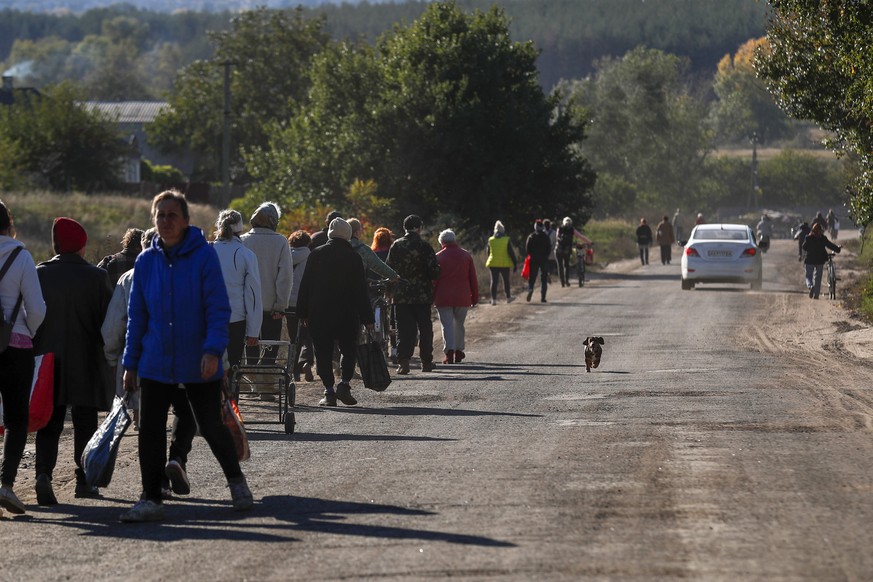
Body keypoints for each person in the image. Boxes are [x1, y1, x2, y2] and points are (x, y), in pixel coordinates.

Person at [120, 190, 252, 523]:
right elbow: (137, 316)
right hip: (154, 360)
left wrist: (212, 351)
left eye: (172, 215)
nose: (166, 221)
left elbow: (218, 308)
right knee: (150, 429)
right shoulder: (146, 261)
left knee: (209, 424)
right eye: (160, 215)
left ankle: (236, 482)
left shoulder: (203, 257)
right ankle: (151, 497)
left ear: (186, 220)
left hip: (197, 359)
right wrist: (130, 362)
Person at [102, 228, 195, 498]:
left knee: (149, 425)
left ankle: (155, 485)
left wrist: (111, 357)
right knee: (185, 411)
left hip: (140, 362)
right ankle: (176, 458)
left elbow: (114, 325)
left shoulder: (128, 278)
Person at [34, 217, 114, 504]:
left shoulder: (40, 274)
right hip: (85, 359)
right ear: (81, 244)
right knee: (85, 423)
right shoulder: (96, 277)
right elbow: (109, 323)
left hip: (48, 359)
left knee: (49, 421)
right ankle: (84, 481)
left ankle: (43, 476)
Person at [296, 218, 374, 406]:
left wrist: (302, 313)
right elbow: (361, 291)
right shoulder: (354, 257)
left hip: (319, 313)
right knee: (348, 349)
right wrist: (367, 317)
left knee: (322, 352)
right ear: (348, 234)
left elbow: (305, 285)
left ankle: (329, 392)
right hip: (347, 313)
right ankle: (344, 384)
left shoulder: (316, 254)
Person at [0, 200, 46, 516]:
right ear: (9, 223)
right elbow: (38, 309)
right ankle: (5, 484)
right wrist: (23, 331)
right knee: (16, 420)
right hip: (14, 349)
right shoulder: (21, 256)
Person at [240, 202, 293, 400]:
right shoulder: (280, 241)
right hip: (272, 305)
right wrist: (281, 305)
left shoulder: (243, 240)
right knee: (271, 344)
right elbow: (284, 276)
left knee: (250, 342)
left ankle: (251, 378)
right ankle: (265, 384)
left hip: (247, 304)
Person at [386, 215, 441, 374]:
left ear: (405, 228)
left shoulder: (396, 245)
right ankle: (426, 362)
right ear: (419, 227)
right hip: (422, 296)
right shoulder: (424, 246)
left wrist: (389, 291)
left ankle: (403, 363)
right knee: (425, 329)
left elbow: (389, 269)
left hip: (401, 295)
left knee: (403, 330)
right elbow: (434, 272)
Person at [212, 210, 262, 371]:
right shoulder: (246, 255)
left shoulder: (205, 251)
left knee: (210, 366)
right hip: (235, 320)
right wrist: (253, 330)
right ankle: (232, 395)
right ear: (240, 229)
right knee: (233, 366)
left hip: (207, 319)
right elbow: (252, 295)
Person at [434, 229, 478, 364]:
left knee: (446, 325)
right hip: (462, 296)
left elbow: (434, 280)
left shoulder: (438, 257)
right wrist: (474, 296)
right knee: (459, 324)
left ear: (442, 242)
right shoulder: (466, 255)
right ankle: (459, 351)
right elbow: (473, 279)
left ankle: (449, 353)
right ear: (454, 240)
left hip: (443, 297)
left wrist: (431, 297)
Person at [286, 230, 314, 382]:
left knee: (292, 338)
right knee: (307, 335)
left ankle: (293, 371)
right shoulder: (311, 256)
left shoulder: (285, 255)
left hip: (287, 302)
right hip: (305, 302)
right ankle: (305, 361)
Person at [348, 218, 400, 283]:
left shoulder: (339, 247)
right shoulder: (362, 249)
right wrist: (394, 276)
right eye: (360, 229)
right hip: (357, 287)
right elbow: (378, 265)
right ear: (356, 232)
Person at [802, 222, 841, 299]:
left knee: (808, 276)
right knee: (818, 278)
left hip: (810, 260)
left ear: (813, 230)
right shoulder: (823, 238)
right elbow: (830, 245)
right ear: (820, 231)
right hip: (820, 260)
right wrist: (837, 249)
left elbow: (804, 247)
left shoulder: (808, 238)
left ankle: (810, 286)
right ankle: (816, 295)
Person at [485, 220, 517, 305]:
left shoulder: (490, 240)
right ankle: (508, 298)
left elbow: (488, 252)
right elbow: (511, 252)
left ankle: (493, 300)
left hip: (493, 263)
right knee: (506, 280)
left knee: (494, 281)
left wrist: (490, 259)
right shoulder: (506, 239)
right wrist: (515, 263)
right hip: (504, 263)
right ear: (503, 230)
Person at [525, 219, 552, 303]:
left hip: (534, 259)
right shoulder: (546, 236)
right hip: (544, 259)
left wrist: (532, 255)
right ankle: (543, 297)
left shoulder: (531, 236)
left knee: (532, 277)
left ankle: (530, 289)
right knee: (544, 278)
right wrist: (546, 256)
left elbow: (527, 249)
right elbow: (549, 248)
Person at [555, 217, 575, 287]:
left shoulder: (559, 228)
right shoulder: (571, 229)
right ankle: (566, 281)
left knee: (560, 266)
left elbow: (557, 237)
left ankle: (562, 282)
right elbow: (571, 240)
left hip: (559, 249)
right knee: (566, 266)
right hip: (567, 249)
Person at [544, 219, 557, 284]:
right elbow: (556, 242)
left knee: (545, 264)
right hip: (552, 252)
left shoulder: (542, 233)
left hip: (544, 252)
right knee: (552, 264)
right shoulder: (554, 233)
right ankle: (549, 273)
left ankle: (547, 273)